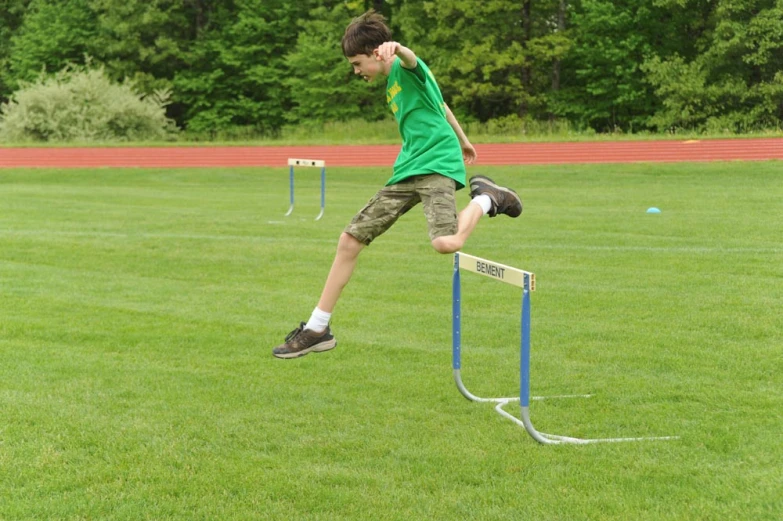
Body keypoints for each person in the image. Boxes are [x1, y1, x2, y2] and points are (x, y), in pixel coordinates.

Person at [273, 10, 522, 359]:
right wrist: (465, 139)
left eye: (357, 63)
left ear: (377, 53)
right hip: (408, 169)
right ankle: (317, 327)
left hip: (436, 165)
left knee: (445, 243)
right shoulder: (393, 83)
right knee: (350, 239)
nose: (356, 71)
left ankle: (487, 199)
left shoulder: (405, 69)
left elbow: (413, 60)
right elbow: (441, 104)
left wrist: (399, 48)